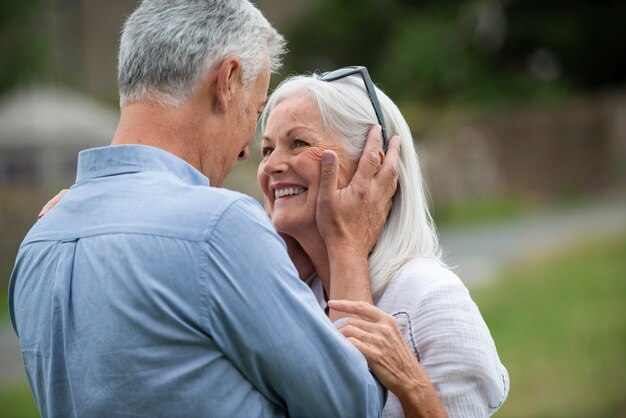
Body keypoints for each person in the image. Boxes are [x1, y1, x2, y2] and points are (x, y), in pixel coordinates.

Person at [7, 2, 405, 417]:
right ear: (227, 81)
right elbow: (351, 406)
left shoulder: (39, 241)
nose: (246, 150)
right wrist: (346, 243)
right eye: (253, 111)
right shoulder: (218, 227)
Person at [255, 69, 510, 417]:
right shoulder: (297, 295)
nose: (271, 165)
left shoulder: (429, 298)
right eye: (267, 149)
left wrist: (413, 385)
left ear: (371, 164)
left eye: (299, 142)